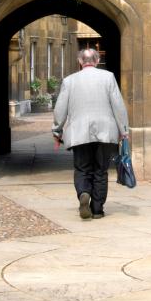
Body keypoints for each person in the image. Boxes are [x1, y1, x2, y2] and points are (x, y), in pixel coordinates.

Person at [52, 48, 129, 220]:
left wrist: (57, 129)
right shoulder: (108, 77)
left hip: (79, 132)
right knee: (100, 170)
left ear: (80, 61)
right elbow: (118, 105)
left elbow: (60, 109)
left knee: (82, 168)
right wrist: (124, 130)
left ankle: (83, 193)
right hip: (105, 131)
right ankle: (97, 209)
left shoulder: (69, 80)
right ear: (97, 60)